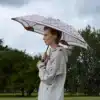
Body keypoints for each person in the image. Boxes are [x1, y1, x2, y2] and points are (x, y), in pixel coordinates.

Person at [37, 26, 69, 100]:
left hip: (51, 96)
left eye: (46, 35)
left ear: (54, 36)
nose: (43, 38)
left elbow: (47, 79)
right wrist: (45, 62)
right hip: (47, 95)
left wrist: (41, 64)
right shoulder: (52, 53)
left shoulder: (58, 54)